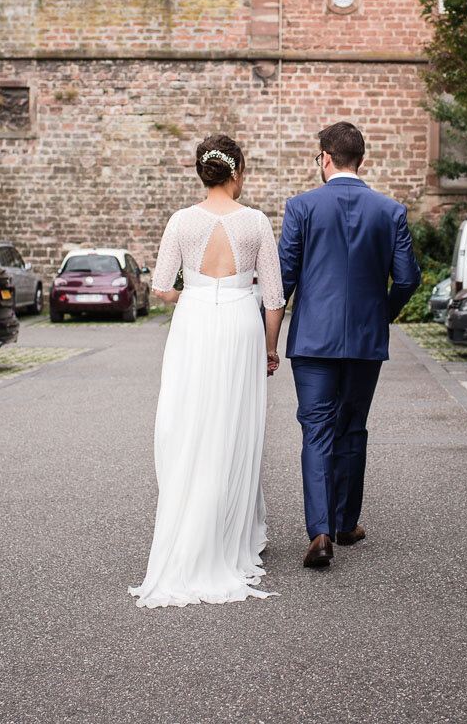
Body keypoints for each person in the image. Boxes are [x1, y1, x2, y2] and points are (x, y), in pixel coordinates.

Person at [129, 134, 287, 608]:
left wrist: (194, 295)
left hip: (194, 325)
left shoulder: (181, 221)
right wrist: (270, 349)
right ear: (236, 171)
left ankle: (190, 521)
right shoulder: (256, 222)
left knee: (191, 422)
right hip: (242, 323)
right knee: (234, 426)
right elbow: (275, 298)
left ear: (203, 172)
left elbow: (160, 287)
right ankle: (229, 532)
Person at [279, 122, 420, 568]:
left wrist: (265, 333)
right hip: (365, 338)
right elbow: (409, 278)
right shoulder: (390, 210)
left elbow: (282, 280)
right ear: (361, 158)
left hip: (313, 341)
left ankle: (319, 533)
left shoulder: (300, 207)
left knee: (316, 430)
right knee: (353, 426)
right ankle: (345, 522)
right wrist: (381, 314)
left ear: (324, 158)